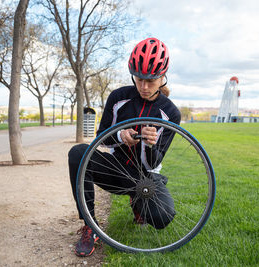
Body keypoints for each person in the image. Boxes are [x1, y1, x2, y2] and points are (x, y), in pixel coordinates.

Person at [68, 37, 181, 257]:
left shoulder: (171, 113)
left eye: (151, 81)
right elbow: (101, 139)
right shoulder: (118, 98)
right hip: (115, 168)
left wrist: (149, 145)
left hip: (145, 177)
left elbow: (154, 162)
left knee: (162, 218)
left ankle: (139, 204)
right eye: (139, 80)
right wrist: (120, 135)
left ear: (163, 77)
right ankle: (90, 225)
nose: (144, 87)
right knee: (78, 154)